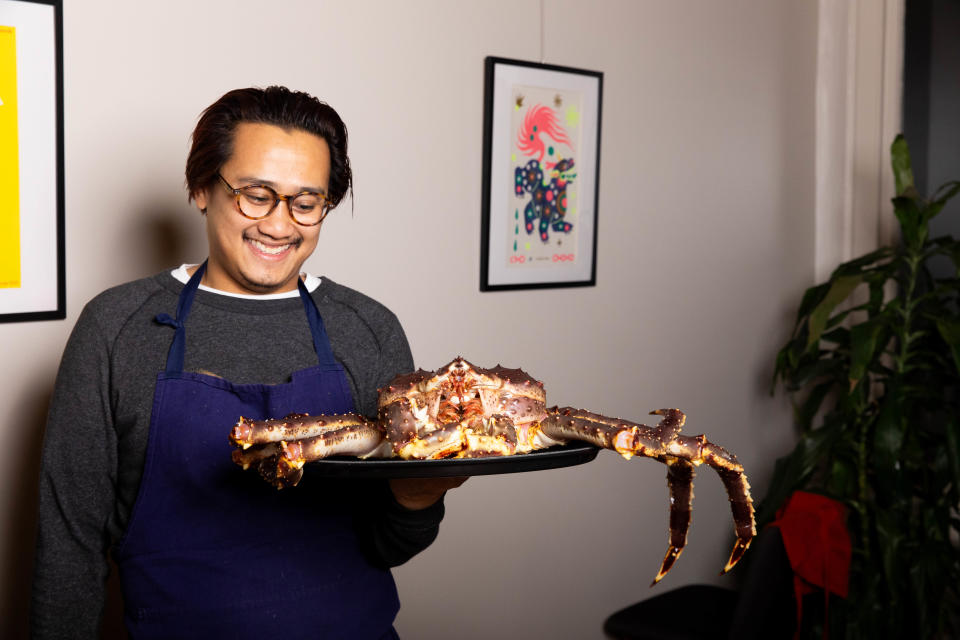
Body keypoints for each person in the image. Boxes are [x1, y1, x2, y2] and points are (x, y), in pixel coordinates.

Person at [31, 86, 464, 639]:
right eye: (256, 195)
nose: (280, 225)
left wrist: (419, 492)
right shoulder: (117, 328)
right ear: (201, 188)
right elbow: (69, 547)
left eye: (306, 203)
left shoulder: (367, 329)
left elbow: (388, 545)